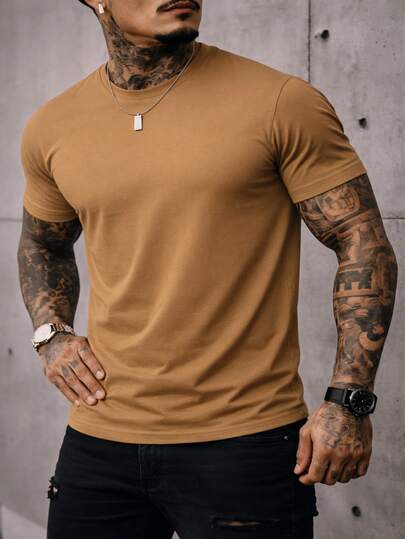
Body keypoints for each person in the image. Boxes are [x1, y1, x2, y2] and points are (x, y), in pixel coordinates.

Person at [17, 1, 398, 538]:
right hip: (100, 438)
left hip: (245, 443)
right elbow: (42, 241)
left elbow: (361, 239)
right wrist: (51, 335)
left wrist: (349, 402)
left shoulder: (280, 102)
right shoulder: (53, 126)